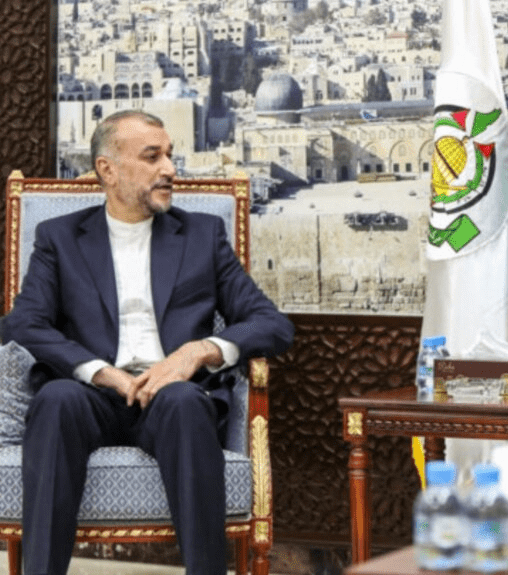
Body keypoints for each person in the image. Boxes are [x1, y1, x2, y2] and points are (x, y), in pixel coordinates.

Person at [2, 110, 294, 575]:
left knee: (184, 401)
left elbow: (272, 325)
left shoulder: (202, 236)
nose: (170, 169)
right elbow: (23, 324)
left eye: (170, 156)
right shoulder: (60, 237)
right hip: (89, 398)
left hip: (172, 401)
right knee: (56, 399)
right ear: (108, 169)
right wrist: (102, 372)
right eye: (152, 156)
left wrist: (198, 351)